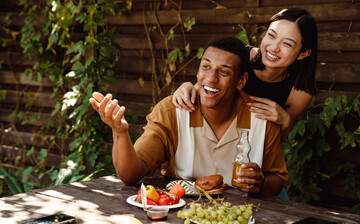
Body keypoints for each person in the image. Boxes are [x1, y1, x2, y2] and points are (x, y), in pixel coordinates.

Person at [89, 36, 288, 197]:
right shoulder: (171, 112)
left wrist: (261, 183)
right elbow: (130, 175)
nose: (211, 78)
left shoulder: (261, 118)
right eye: (206, 66)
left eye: (224, 72)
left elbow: (277, 179)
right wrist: (120, 132)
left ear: (241, 81)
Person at [172, 8, 318, 141]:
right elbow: (203, 86)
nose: (274, 48)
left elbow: (279, 140)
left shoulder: (300, 90)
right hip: (208, 136)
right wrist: (187, 86)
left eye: (287, 44)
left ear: (303, 53)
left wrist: (286, 121)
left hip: (251, 150)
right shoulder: (240, 57)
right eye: (271, 35)